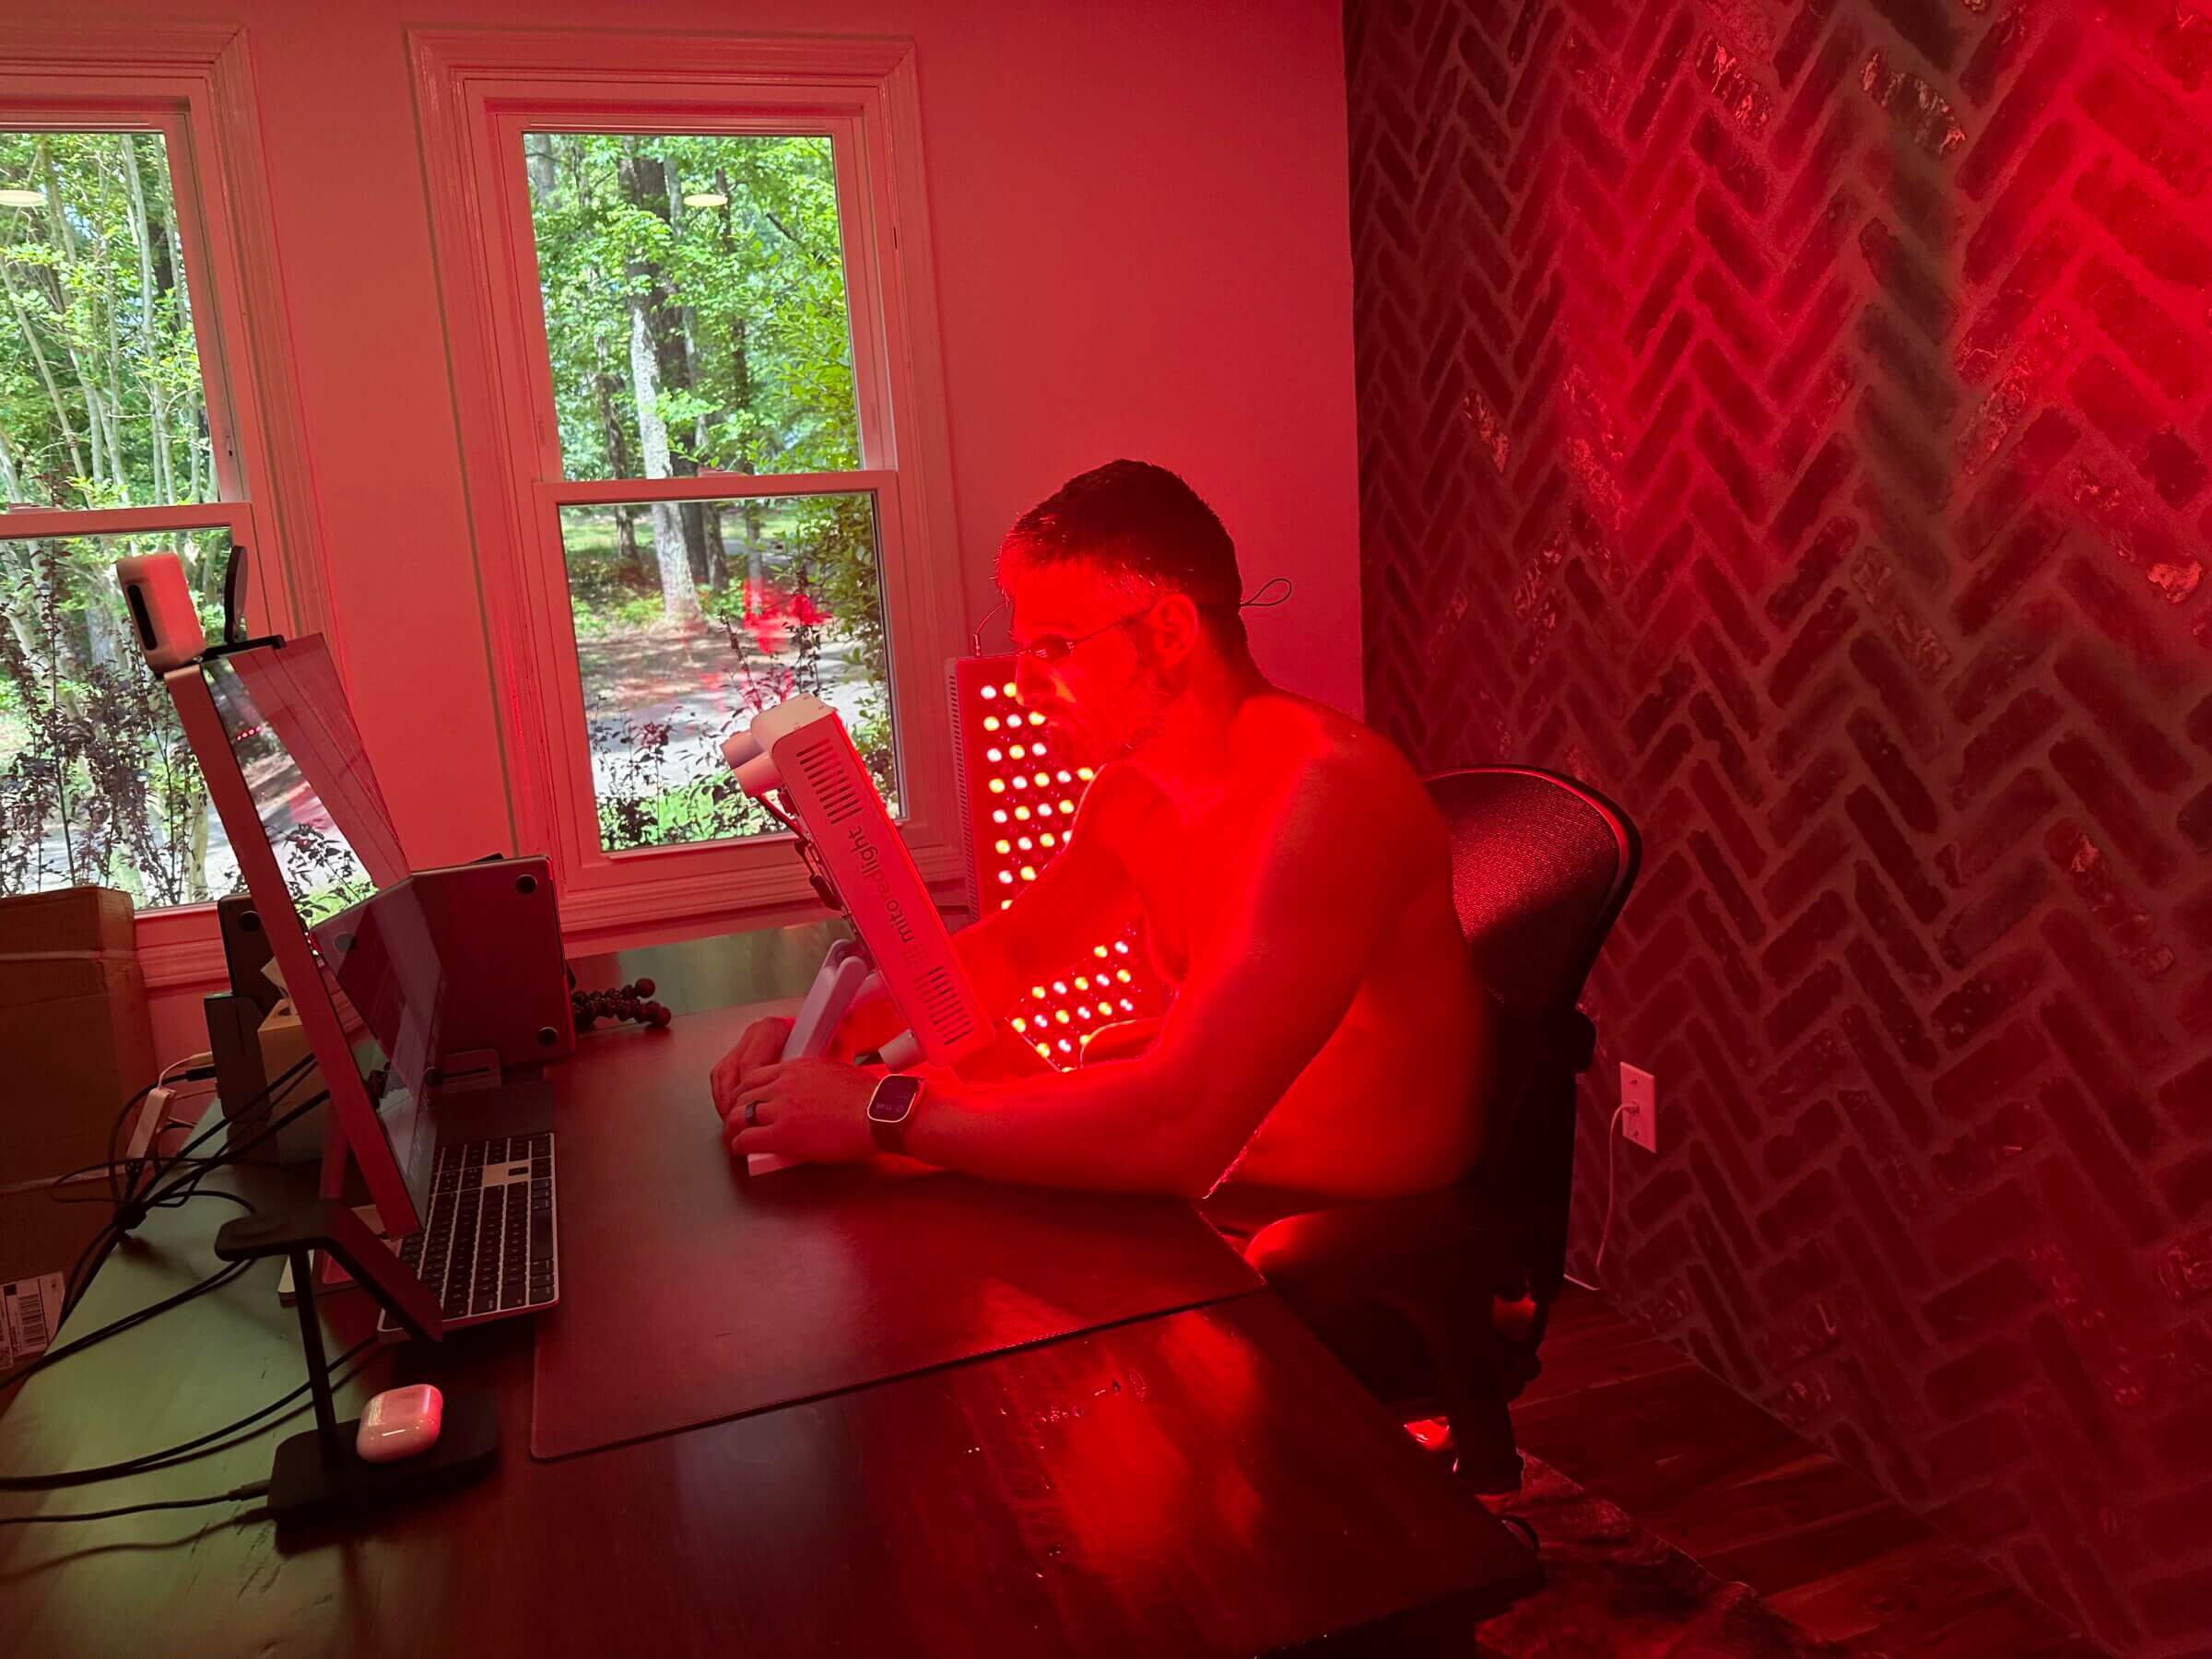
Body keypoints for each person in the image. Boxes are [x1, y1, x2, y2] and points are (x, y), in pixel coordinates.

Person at [710, 460, 1495, 1239]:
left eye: (1054, 648)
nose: (1024, 686)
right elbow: (1016, 951)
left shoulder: (1325, 797)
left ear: (1170, 632)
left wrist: (882, 1112)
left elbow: (1184, 1128)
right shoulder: (1135, 792)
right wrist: (830, 1032)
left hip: (1338, 1217)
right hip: (1227, 1169)